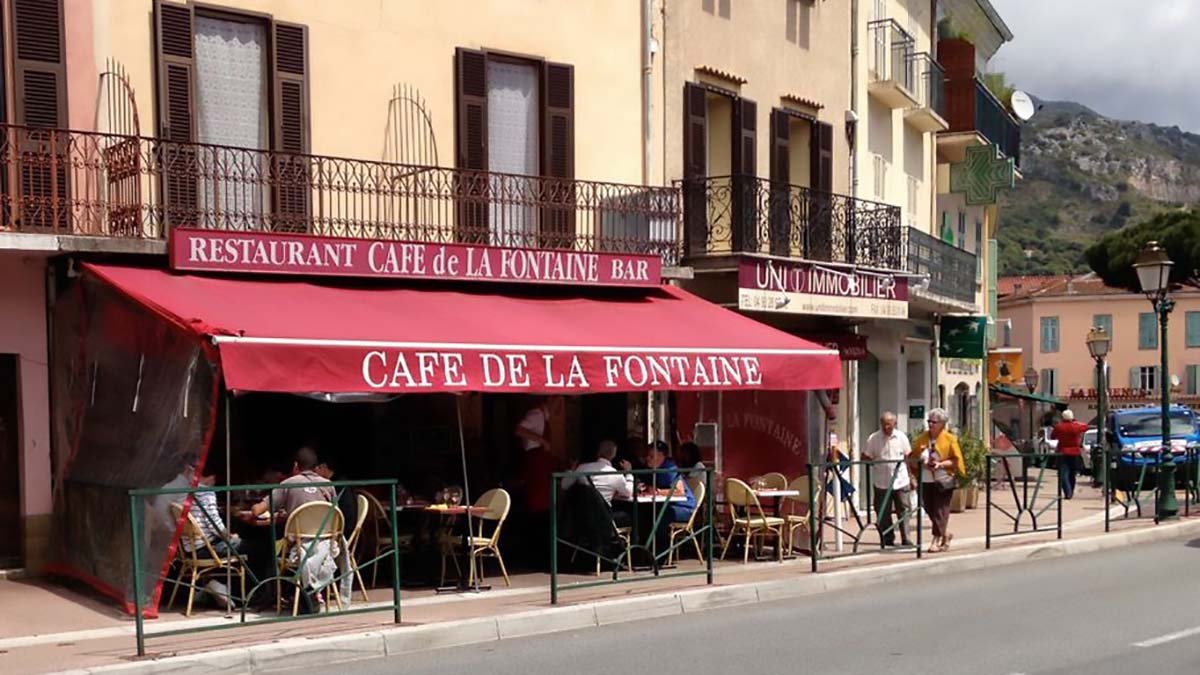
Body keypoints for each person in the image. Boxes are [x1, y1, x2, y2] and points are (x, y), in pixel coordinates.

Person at [908, 409, 964, 553]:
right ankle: (945, 534)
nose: (930, 424)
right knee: (929, 509)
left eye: (934, 422)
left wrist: (940, 465)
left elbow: (955, 460)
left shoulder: (950, 439)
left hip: (943, 479)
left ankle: (935, 540)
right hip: (926, 479)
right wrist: (919, 466)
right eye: (929, 421)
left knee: (940, 510)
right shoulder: (922, 438)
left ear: (942, 424)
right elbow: (913, 458)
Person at [862, 411, 912, 547]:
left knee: (904, 510)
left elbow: (908, 457)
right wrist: (870, 461)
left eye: (889, 425)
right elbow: (866, 456)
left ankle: (906, 538)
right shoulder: (874, 438)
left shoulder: (901, 437)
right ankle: (887, 537)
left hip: (900, 480)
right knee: (883, 512)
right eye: (884, 425)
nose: (886, 428)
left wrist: (911, 476)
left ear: (894, 424)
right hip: (881, 481)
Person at [315, 458, 356, 607]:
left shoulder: (334, 486)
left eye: (317, 468)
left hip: (341, 534)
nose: (315, 473)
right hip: (339, 530)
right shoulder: (339, 482)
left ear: (324, 467)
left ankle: (311, 589)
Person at [1051, 410, 1089, 500]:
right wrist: (1075, 422)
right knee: (1072, 473)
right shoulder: (1076, 426)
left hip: (1062, 451)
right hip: (1075, 452)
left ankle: (1067, 492)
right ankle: (1071, 491)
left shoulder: (1059, 427)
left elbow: (1052, 436)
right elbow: (1085, 426)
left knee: (1063, 473)